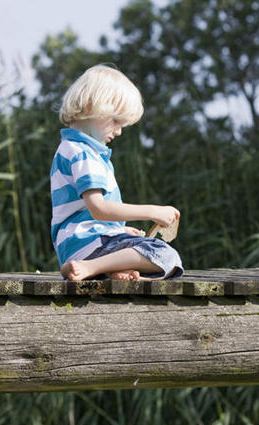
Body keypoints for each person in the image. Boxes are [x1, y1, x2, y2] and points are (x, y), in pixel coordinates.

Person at [51, 64, 183, 281]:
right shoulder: (83, 153)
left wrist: (118, 230)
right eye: (116, 121)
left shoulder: (71, 148)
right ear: (92, 106)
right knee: (165, 254)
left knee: (163, 260)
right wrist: (152, 211)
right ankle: (91, 267)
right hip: (89, 244)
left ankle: (111, 271)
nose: (119, 130)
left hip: (80, 245)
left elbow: (88, 213)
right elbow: (99, 209)